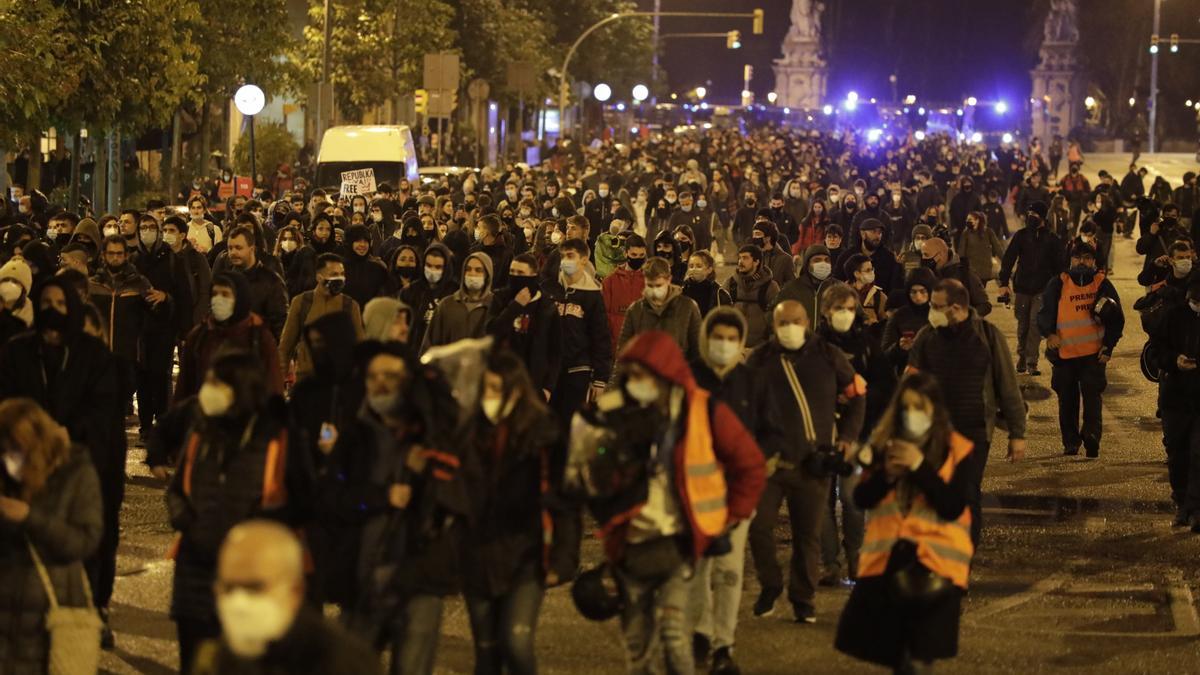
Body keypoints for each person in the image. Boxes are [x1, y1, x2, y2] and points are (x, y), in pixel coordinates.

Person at [567, 330, 765, 674]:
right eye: (630, 375)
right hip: (628, 547)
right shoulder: (615, 413)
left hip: (678, 543)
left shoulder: (702, 409)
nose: (636, 383)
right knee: (637, 644)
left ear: (665, 373)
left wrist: (731, 515)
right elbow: (583, 472)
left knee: (675, 636)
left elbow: (750, 463)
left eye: (643, 375)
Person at [167, 351, 313, 673]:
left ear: (241, 387)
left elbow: (303, 501)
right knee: (194, 662)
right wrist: (186, 521)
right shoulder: (201, 432)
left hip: (250, 577)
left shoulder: (276, 438)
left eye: (216, 382)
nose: (208, 389)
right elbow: (178, 489)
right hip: (195, 570)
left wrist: (259, 531)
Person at [0, 277, 124, 646]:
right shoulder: (17, 351)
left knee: (81, 540)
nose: (52, 310)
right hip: (22, 461)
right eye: (46, 302)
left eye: (60, 303)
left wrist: (68, 433)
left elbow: (103, 410)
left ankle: (87, 611)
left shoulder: (94, 355)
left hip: (79, 462)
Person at [332, 347, 464, 675]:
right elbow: (332, 498)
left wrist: (425, 473)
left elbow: (461, 500)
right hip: (362, 577)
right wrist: (381, 496)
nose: (380, 384)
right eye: (373, 377)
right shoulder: (355, 436)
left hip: (419, 579)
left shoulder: (435, 439)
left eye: (390, 376)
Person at [834, 372, 974, 674]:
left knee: (920, 658)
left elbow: (953, 505)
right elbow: (863, 497)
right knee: (898, 657)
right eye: (906, 407)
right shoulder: (885, 444)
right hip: (890, 562)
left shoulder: (955, 448)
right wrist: (888, 474)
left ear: (934, 410)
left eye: (920, 407)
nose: (912, 415)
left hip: (936, 565)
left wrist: (919, 466)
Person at [458, 350, 580, 675]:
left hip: (525, 555)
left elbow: (565, 500)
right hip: (478, 556)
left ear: (515, 390)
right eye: (483, 389)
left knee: (516, 642)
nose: (488, 399)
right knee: (486, 653)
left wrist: (563, 558)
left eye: (495, 390)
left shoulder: (542, 434)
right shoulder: (467, 432)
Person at [747, 300, 865, 624]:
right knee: (758, 528)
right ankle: (770, 584)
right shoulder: (760, 359)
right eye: (783, 322)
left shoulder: (828, 356)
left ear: (807, 321)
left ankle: (803, 599)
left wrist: (848, 437)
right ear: (773, 325)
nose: (790, 327)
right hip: (769, 464)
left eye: (795, 321)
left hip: (813, 464)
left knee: (807, 536)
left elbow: (857, 394)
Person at [907, 279, 1026, 544]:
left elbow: (1007, 385)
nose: (933, 311)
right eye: (932, 306)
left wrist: (1017, 433)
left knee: (967, 493)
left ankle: (963, 556)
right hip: (934, 432)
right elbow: (910, 385)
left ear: (958, 308)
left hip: (973, 431)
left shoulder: (987, 336)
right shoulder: (927, 337)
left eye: (938, 307)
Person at [191, 521, 381, 674]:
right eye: (229, 587)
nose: (239, 601)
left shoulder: (345, 663)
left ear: (295, 591)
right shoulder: (216, 660)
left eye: (254, 587)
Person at [0, 398, 103, 674]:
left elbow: (85, 540)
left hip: (50, 621)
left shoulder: (75, 472)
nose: (10, 459)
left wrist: (29, 518)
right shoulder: (6, 475)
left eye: (15, 450)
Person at [816, 282, 897, 587]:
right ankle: (829, 562)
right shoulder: (815, 345)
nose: (845, 315)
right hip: (822, 435)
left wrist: (859, 396)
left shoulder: (866, 344)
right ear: (826, 312)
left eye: (850, 309)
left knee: (852, 499)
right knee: (822, 501)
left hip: (858, 431)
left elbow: (886, 385)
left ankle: (854, 558)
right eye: (839, 309)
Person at [1037, 242, 1125, 458]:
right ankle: (1071, 441)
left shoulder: (1102, 284)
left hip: (1093, 354)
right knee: (1067, 399)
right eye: (1077, 257)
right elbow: (1045, 312)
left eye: (1087, 257)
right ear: (1070, 260)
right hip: (1064, 355)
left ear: (1094, 261)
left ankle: (1092, 436)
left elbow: (1116, 318)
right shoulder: (1058, 283)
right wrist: (1049, 334)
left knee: (1092, 396)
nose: (1082, 261)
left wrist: (1109, 347)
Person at [177, 272, 284, 399]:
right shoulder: (199, 336)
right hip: (205, 415)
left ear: (240, 299)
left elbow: (273, 388)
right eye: (215, 294)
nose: (218, 299)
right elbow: (183, 388)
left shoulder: (259, 338)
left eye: (225, 294)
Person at [133, 214, 193, 436]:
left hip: (163, 328)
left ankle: (162, 422)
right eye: (143, 228)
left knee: (159, 376)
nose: (146, 231)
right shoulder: (134, 261)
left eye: (151, 227)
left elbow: (185, 295)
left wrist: (166, 297)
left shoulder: (172, 259)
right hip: (140, 330)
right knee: (142, 377)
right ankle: (146, 426)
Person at [545, 238, 612, 426]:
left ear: (583, 260)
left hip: (578, 370)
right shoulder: (550, 289)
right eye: (563, 256)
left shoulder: (592, 295)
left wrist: (600, 378)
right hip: (550, 371)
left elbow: (600, 337)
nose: (565, 260)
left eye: (570, 256)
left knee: (570, 426)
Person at [1156, 278, 1200, 531]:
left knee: (1198, 453)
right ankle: (1182, 502)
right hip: (1176, 399)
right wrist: (1175, 360)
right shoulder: (1173, 317)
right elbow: (1156, 351)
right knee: (1178, 453)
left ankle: (1194, 508)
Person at [278, 254, 365, 382]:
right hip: (307, 379)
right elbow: (286, 345)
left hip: (339, 381)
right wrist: (278, 380)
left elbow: (359, 346)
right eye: (334, 274)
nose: (340, 278)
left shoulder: (350, 305)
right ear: (319, 277)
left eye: (342, 273)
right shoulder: (302, 302)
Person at [998, 205, 1063, 375]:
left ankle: (1031, 360)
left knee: (1035, 324)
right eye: (1029, 213)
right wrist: (1003, 283)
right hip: (1022, 288)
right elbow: (1009, 259)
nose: (1030, 217)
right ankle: (1022, 355)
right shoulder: (1021, 236)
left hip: (1043, 289)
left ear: (1042, 217)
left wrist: (1058, 288)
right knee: (1023, 325)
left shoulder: (1052, 239)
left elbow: (1060, 267)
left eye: (1034, 214)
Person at [485, 254, 561, 398]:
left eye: (520, 273)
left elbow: (555, 350)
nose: (515, 276)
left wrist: (548, 387)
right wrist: (515, 306)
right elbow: (491, 331)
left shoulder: (547, 306)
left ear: (533, 275)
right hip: (501, 380)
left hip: (533, 384)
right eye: (512, 272)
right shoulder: (500, 298)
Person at [616, 256, 702, 362]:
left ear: (669, 279)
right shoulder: (635, 310)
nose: (654, 290)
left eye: (658, 285)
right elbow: (623, 355)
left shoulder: (687, 308)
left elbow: (698, 352)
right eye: (650, 285)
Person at [422, 251, 494, 351]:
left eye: (478, 270)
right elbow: (430, 343)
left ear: (487, 275)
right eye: (468, 269)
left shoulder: (495, 306)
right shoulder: (447, 305)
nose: (472, 273)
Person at [226, 226, 289, 340]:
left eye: (238, 248)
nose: (233, 252)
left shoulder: (271, 281)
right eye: (230, 248)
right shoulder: (227, 280)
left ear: (252, 249)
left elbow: (280, 323)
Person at [400, 243, 457, 350]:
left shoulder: (455, 293)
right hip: (414, 351)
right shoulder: (411, 291)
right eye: (429, 265)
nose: (432, 270)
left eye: (438, 267)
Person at [881, 268, 937, 375]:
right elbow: (885, 356)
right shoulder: (899, 316)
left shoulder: (939, 314)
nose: (918, 297)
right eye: (913, 292)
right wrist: (899, 348)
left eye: (922, 291)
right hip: (908, 376)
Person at [723, 244, 779, 349]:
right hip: (734, 346)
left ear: (756, 262)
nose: (740, 261)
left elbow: (776, 318)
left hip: (760, 348)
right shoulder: (731, 284)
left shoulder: (770, 286)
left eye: (745, 258)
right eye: (739, 258)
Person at [920, 237, 991, 317]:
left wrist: (964, 316)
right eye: (922, 254)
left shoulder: (965, 273)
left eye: (926, 255)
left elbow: (985, 305)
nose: (923, 258)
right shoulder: (926, 273)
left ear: (940, 254)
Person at [600, 234, 647, 349]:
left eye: (641, 255)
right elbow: (603, 315)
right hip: (615, 345)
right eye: (634, 255)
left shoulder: (650, 281)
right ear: (626, 253)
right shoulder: (609, 281)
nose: (638, 258)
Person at [776, 244, 834, 323]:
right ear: (807, 264)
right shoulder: (792, 288)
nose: (823, 264)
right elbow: (774, 313)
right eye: (817, 260)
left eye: (827, 260)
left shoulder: (837, 288)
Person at [342, 225, 389, 309]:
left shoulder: (377, 268)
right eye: (358, 241)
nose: (362, 245)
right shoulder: (340, 267)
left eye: (366, 241)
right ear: (349, 242)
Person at [955, 211, 1005, 290]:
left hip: (985, 268)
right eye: (967, 219)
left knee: (980, 290)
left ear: (977, 220)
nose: (968, 221)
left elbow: (997, 248)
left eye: (970, 219)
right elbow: (961, 251)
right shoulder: (966, 233)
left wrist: (1006, 261)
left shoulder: (988, 232)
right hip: (972, 269)